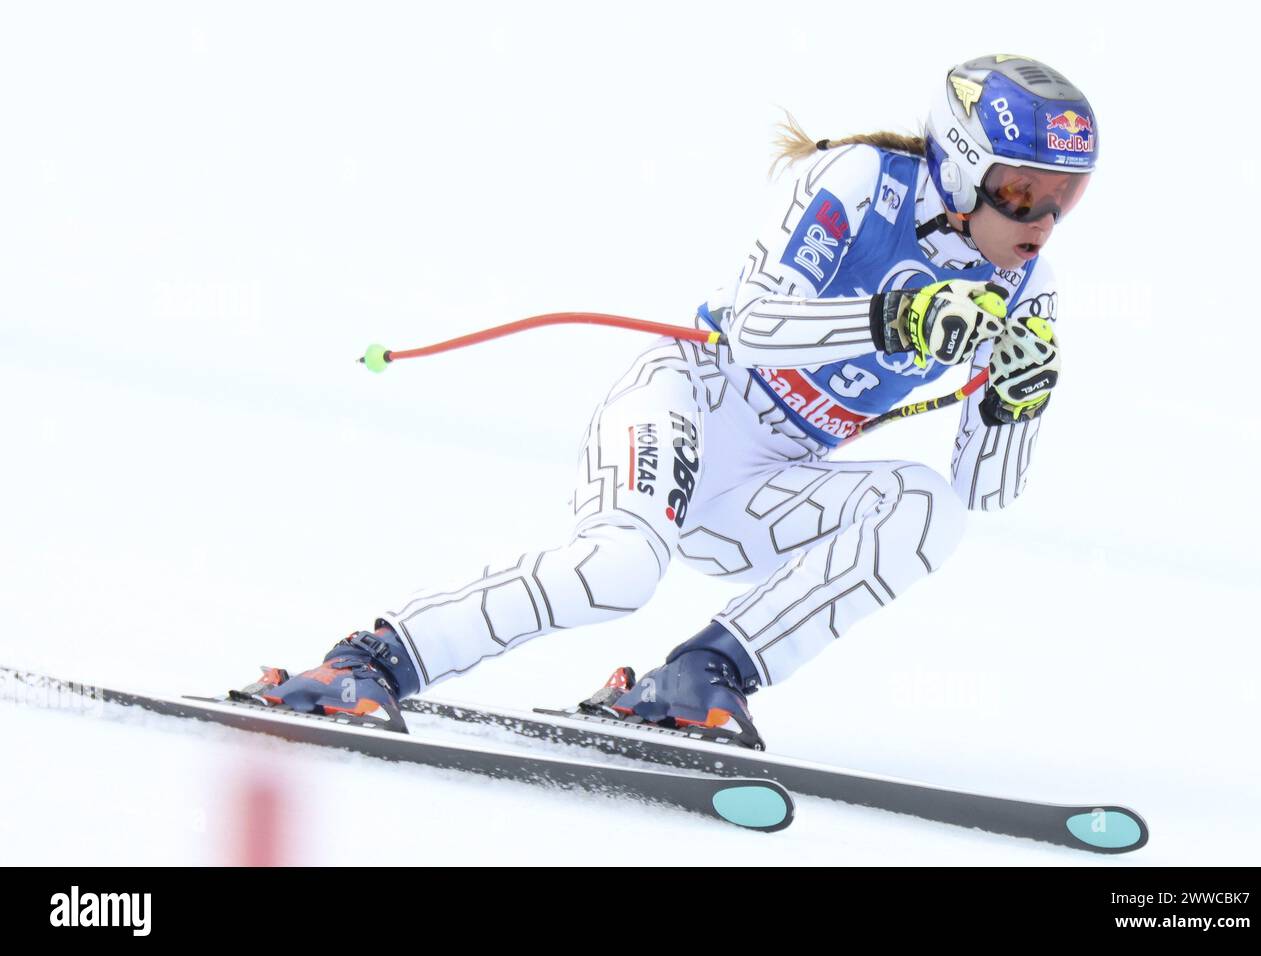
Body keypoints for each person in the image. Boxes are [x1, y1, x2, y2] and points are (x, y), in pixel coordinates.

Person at [244, 54, 1097, 747]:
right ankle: (371, 661)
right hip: (687, 400)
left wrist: (1015, 404)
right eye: (1023, 190)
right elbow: (756, 325)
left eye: (1067, 196)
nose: (1042, 220)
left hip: (765, 485)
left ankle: (701, 676)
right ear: (958, 163)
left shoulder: (1030, 286)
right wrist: (897, 314)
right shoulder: (860, 180)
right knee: (616, 571)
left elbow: (986, 492)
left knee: (928, 506)